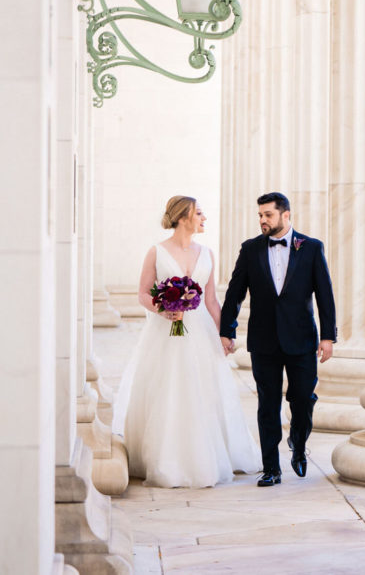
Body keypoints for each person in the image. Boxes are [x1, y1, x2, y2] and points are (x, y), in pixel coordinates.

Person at [113, 195, 261, 488]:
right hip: (166, 334)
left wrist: (224, 333)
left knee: (204, 390)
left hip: (201, 333)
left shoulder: (207, 253)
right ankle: (168, 459)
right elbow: (143, 293)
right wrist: (164, 309)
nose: (204, 218)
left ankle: (207, 455)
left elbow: (211, 300)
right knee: (169, 389)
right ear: (183, 218)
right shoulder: (156, 252)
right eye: (199, 213)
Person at [219, 192, 337, 486]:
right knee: (267, 404)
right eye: (260, 215)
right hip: (264, 340)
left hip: (302, 340)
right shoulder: (250, 249)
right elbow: (235, 293)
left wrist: (328, 337)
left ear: (286, 215)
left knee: (303, 399)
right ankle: (271, 467)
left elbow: (325, 295)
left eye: (268, 215)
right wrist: (227, 330)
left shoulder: (311, 248)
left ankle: (298, 444)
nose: (262, 220)